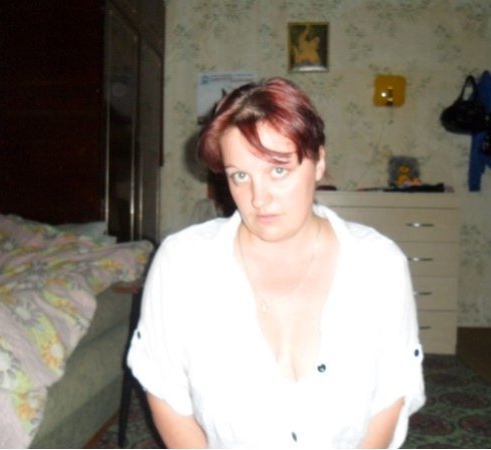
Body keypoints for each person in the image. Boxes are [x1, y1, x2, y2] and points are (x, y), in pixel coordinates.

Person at [127, 77, 425, 449]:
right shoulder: (182, 265)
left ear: (318, 162)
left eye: (278, 170)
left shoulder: (378, 264)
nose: (259, 198)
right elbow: (164, 389)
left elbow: (392, 390)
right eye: (240, 176)